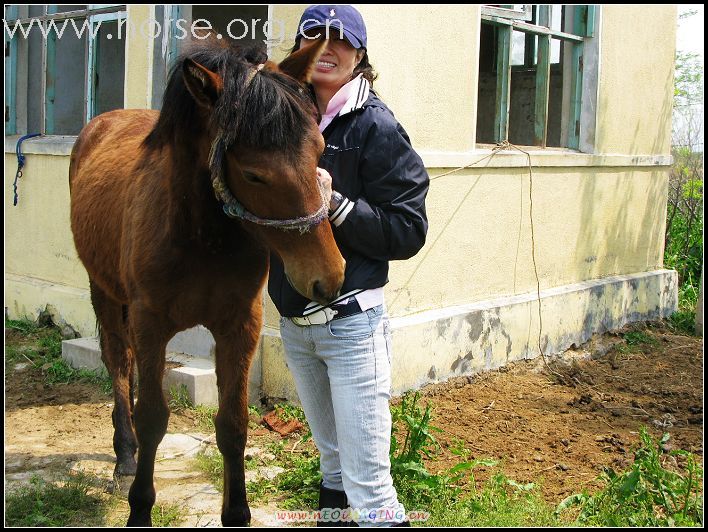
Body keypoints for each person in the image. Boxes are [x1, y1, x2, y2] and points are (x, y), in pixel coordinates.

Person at [267, 4, 429, 527]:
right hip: (296, 326)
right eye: (315, 37)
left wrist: (339, 208)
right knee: (333, 465)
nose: (328, 49)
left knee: (368, 483)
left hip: (352, 325)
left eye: (342, 40)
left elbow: (408, 229)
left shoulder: (376, 126)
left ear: (359, 54)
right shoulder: (282, 120)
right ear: (299, 50)